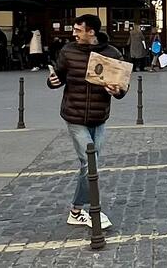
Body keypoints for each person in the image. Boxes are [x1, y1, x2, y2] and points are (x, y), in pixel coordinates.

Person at [46, 14, 126, 231]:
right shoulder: (68, 51)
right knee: (90, 163)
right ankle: (93, 212)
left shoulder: (111, 53)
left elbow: (121, 87)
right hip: (74, 116)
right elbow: (59, 77)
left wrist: (117, 91)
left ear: (91, 32)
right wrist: (52, 81)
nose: (74, 34)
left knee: (92, 164)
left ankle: (75, 211)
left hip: (99, 117)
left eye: (78, 30)